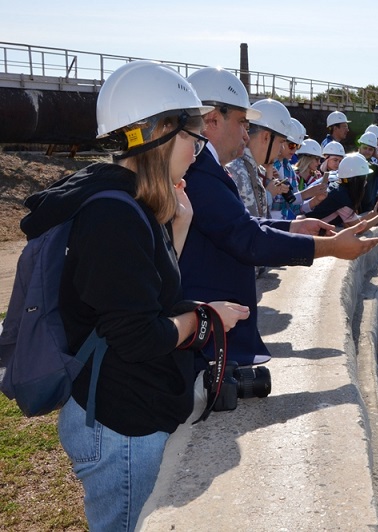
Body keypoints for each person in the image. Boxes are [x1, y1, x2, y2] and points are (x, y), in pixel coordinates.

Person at [17, 60, 250, 530]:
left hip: (127, 412)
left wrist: (179, 226)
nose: (198, 146)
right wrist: (206, 319)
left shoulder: (135, 205)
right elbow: (139, 335)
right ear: (158, 132)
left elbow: (150, 294)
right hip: (118, 425)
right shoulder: (113, 217)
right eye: (191, 134)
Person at [182, 67, 378, 367]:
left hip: (218, 338)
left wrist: (293, 226)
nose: (246, 135)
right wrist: (329, 248)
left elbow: (241, 225)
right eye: (241, 123)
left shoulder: (208, 169)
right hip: (208, 345)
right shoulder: (200, 172)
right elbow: (246, 238)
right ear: (211, 120)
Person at [227, 99, 292, 218]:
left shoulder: (249, 170)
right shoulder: (238, 172)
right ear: (266, 137)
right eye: (281, 141)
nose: (281, 148)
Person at [307, 153, 378, 229]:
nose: (366, 182)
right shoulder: (341, 197)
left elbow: (352, 221)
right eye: (364, 179)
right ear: (357, 180)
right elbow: (358, 228)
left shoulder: (340, 190)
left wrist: (373, 214)